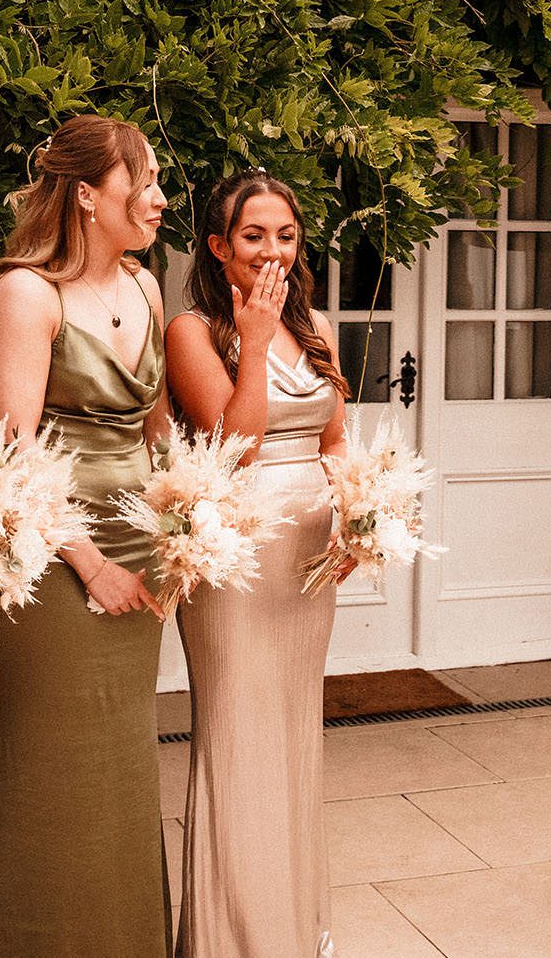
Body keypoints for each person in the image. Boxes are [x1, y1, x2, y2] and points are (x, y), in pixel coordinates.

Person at [0, 114, 172, 958]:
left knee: (127, 761)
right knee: (56, 760)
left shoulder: (147, 286)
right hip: (58, 562)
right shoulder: (28, 294)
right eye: (145, 181)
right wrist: (91, 566)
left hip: (141, 548)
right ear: (89, 194)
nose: (160, 199)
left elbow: (157, 429)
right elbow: (8, 459)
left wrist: (189, 519)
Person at [167, 169, 351, 958]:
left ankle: (293, 927)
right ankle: (233, 939)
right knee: (239, 737)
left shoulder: (316, 328)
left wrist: (355, 518)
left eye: (285, 234)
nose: (271, 250)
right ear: (217, 246)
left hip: (309, 566)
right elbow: (233, 446)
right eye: (252, 235)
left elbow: (336, 438)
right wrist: (251, 334)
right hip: (236, 563)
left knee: (293, 732)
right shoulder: (194, 330)